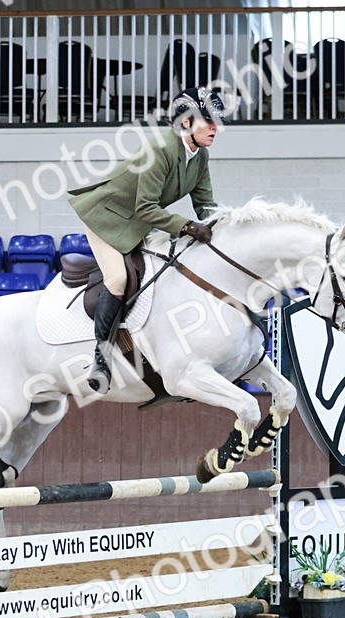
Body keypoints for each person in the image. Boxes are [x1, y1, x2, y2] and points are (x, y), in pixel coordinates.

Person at [67, 86, 226, 394]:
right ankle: (102, 357)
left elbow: (206, 206)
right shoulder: (160, 151)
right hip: (108, 219)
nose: (214, 127)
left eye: (215, 121)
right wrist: (189, 228)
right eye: (206, 120)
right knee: (117, 279)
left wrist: (223, 229)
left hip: (140, 224)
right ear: (185, 123)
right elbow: (145, 207)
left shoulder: (199, 155)